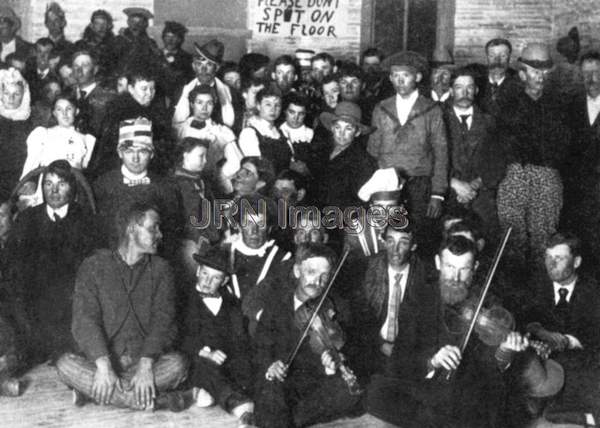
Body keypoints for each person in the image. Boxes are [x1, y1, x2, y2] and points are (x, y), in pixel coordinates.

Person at [367, 235, 529, 428]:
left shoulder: (488, 302)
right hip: (426, 385)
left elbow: (491, 367)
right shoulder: (418, 297)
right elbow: (400, 359)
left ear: (475, 267)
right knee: (376, 390)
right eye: (450, 267)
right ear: (438, 263)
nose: (455, 277)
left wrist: (505, 350)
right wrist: (432, 361)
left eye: (464, 269)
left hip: (466, 390)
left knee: (485, 399)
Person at [56, 202, 188, 410]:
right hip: (104, 363)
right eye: (153, 228)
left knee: (178, 365)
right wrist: (103, 365)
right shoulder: (94, 265)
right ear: (131, 228)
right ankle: (157, 400)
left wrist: (145, 365)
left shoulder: (163, 270)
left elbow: (164, 321)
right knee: (65, 365)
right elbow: (84, 319)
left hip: (144, 363)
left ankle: (97, 395)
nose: (160, 234)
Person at [254, 243, 363, 427]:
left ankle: (286, 419)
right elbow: (260, 346)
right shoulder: (276, 302)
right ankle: (286, 416)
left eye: (324, 276)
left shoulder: (337, 306)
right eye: (311, 272)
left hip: (315, 382)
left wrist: (331, 366)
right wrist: (271, 366)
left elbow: (348, 347)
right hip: (284, 379)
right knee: (271, 390)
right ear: (297, 271)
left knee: (349, 394)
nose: (317, 282)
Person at [10, 160, 98, 362]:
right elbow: (13, 267)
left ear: (72, 188)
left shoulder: (87, 220)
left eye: (61, 184)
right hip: (34, 303)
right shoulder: (27, 219)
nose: (54, 190)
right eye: (48, 184)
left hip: (72, 302)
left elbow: (93, 269)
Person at [496, 43, 570, 266]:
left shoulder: (561, 104)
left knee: (545, 241)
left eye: (546, 72)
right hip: (514, 176)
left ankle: (543, 295)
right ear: (522, 73)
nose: (541, 76)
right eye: (535, 71)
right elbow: (495, 143)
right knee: (511, 240)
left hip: (548, 177)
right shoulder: (507, 103)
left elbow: (567, 146)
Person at [368, 51, 448, 254]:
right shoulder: (381, 108)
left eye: (406, 75)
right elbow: (373, 150)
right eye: (395, 75)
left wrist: (437, 194)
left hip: (419, 186)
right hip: (387, 186)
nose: (400, 80)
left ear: (418, 77)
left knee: (418, 239)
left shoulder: (431, 110)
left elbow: (441, 152)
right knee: (385, 238)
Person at [522, 233, 600, 418]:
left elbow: (595, 337)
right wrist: (540, 331)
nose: (551, 264)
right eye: (548, 257)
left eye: (559, 257)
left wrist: (568, 341)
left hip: (579, 362)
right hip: (539, 361)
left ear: (576, 262)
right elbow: (524, 317)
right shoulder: (535, 283)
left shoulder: (594, 292)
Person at [182, 247, 255, 427]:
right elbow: (181, 337)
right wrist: (205, 352)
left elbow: (239, 339)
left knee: (246, 366)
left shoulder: (232, 303)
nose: (207, 281)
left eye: (216, 278)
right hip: (198, 359)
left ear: (225, 281)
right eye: (205, 274)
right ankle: (240, 406)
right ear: (198, 270)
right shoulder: (184, 299)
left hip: (226, 360)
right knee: (206, 368)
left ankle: (206, 392)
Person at [93, 117, 179, 254]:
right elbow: (97, 232)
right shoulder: (103, 185)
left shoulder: (164, 188)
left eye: (142, 151)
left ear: (151, 154)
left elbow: (171, 236)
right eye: (129, 151)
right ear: (120, 153)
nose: (135, 158)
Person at [350, 222, 426, 377]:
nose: (395, 250)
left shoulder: (424, 274)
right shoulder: (368, 269)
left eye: (403, 243)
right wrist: (381, 344)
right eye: (390, 241)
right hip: (372, 348)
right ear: (384, 242)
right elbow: (358, 320)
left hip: (408, 352)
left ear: (413, 246)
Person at [443, 68, 503, 242]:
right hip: (447, 191)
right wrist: (454, 183)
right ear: (451, 90)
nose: (465, 92)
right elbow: (427, 157)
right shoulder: (438, 117)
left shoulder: (489, 121)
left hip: (481, 193)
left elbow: (498, 160)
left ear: (476, 90)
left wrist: (475, 184)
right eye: (459, 87)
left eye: (470, 87)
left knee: (486, 238)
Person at [19, 95, 95, 208]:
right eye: (59, 109)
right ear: (54, 113)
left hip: (73, 189)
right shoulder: (43, 134)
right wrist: (28, 184)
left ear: (77, 111)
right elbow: (30, 165)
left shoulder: (87, 140)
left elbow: (84, 169)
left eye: (69, 109)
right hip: (47, 187)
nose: (64, 113)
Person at [94, 68, 171, 176]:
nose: (149, 93)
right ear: (131, 89)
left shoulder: (153, 112)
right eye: (144, 89)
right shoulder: (121, 113)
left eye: (152, 89)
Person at [174, 84, 241, 194]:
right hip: (180, 186)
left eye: (209, 103)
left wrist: (221, 178)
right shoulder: (178, 130)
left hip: (212, 186)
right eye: (199, 102)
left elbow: (236, 163)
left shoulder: (222, 132)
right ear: (192, 104)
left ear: (214, 105)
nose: (204, 108)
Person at [313, 101, 377, 212]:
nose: (341, 134)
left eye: (348, 129)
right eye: (338, 127)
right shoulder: (322, 153)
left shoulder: (363, 161)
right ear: (332, 128)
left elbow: (361, 203)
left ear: (357, 132)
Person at [173, 39, 244, 134]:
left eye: (209, 64)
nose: (203, 69)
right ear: (193, 66)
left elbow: (236, 127)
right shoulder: (181, 91)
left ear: (217, 68)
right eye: (199, 64)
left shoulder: (231, 94)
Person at [238, 87, 292, 174]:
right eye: (268, 104)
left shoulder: (283, 132)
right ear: (258, 106)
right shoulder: (249, 133)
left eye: (277, 105)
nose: (273, 109)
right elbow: (255, 168)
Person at [0, 68, 33, 200]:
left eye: (16, 94)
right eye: (6, 93)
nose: (11, 98)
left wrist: (33, 181)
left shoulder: (33, 121)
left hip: (22, 188)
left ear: (24, 95)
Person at [71, 50, 117, 143]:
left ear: (95, 69)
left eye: (85, 66)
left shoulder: (108, 98)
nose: (79, 70)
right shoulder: (67, 94)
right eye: (76, 66)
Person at [476, 38, 521, 117]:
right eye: (492, 56)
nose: (497, 61)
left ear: (509, 58)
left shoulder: (519, 84)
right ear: (486, 57)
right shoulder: (477, 83)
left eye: (503, 56)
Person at [73, 10, 118, 78]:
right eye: (97, 24)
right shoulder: (80, 45)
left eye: (104, 24)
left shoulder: (114, 46)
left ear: (109, 26)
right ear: (91, 25)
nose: (101, 27)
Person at [160, 21, 194, 102]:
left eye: (175, 37)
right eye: (167, 36)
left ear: (181, 40)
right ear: (163, 37)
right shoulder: (154, 55)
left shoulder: (187, 59)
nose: (170, 40)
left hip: (178, 100)